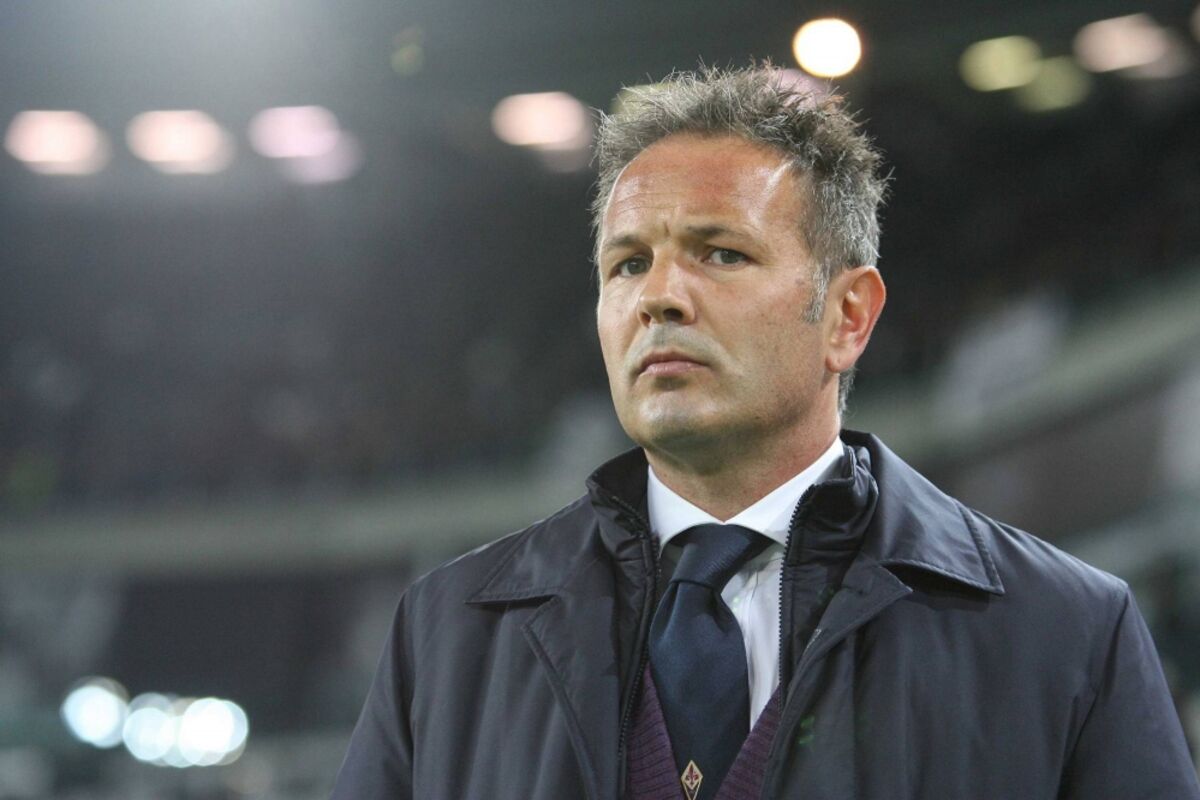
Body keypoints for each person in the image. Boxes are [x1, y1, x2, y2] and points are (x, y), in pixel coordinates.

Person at [330, 65, 1199, 800]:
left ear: (848, 316)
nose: (658, 297)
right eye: (627, 263)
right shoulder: (444, 638)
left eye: (721, 253)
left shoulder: (1067, 634)